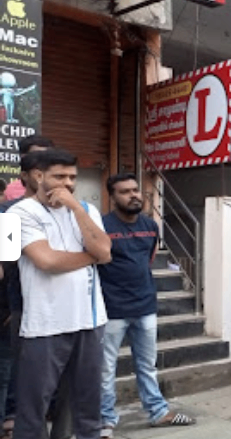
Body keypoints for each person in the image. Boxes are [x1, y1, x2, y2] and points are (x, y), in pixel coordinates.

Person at [9, 149, 113, 439]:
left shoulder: (87, 211)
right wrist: (92, 257)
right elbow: (48, 261)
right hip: (45, 324)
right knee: (33, 409)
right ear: (38, 176)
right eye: (59, 176)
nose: (67, 183)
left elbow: (104, 250)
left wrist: (77, 209)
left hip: (90, 322)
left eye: (72, 177)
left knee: (88, 407)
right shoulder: (19, 212)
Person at [97, 174, 196, 438]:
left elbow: (148, 259)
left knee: (147, 364)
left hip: (145, 306)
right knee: (106, 369)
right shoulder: (102, 225)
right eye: (125, 192)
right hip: (112, 309)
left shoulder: (150, 226)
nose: (134, 195)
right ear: (112, 197)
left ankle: (158, 412)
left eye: (136, 190)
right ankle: (105, 420)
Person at [0, 136, 64, 439]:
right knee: (20, 376)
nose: (45, 168)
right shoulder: (10, 212)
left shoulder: (67, 209)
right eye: (37, 161)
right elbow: (6, 265)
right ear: (24, 171)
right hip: (24, 309)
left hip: (62, 311)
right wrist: (12, 305)